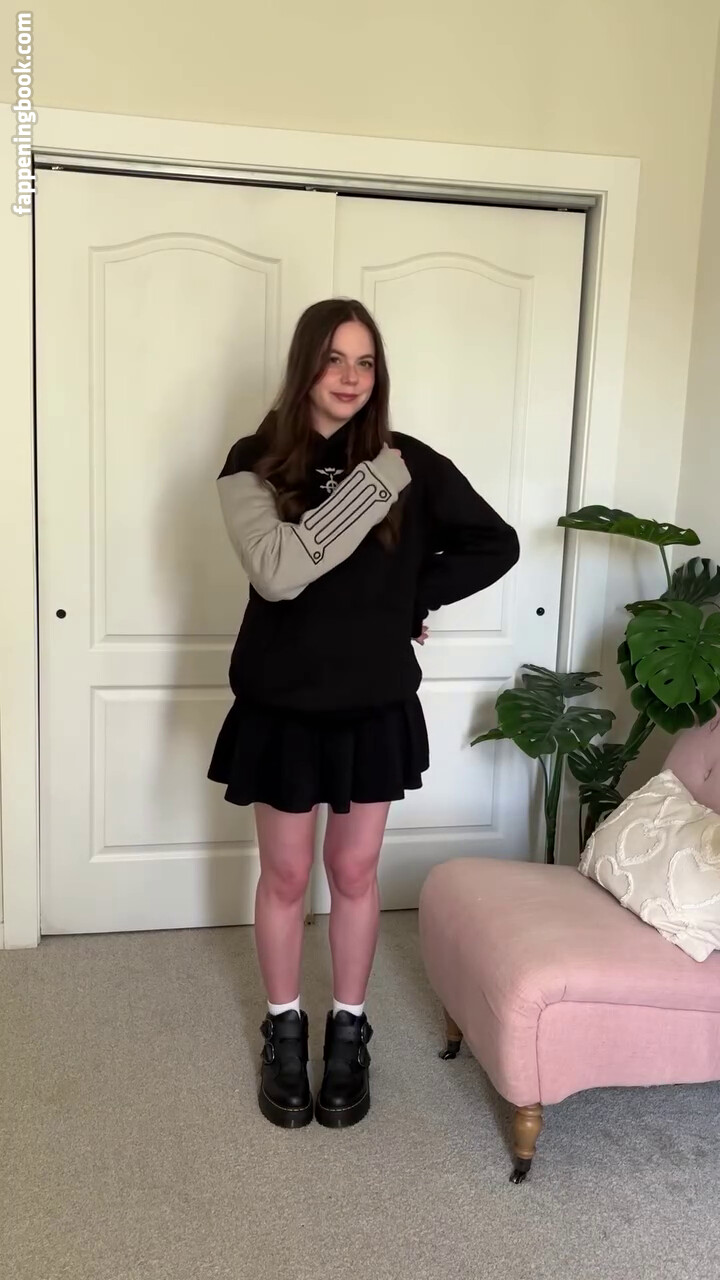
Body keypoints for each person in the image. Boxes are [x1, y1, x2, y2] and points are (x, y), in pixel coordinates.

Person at [208, 297, 519, 1131]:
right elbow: (278, 573)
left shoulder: (412, 461)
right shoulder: (256, 458)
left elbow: (496, 544)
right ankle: (284, 1028)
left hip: (373, 704)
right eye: (334, 358)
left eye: (366, 362)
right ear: (305, 365)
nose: (350, 377)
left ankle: (349, 1028)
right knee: (284, 876)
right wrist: (375, 484)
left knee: (353, 873)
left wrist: (410, 596)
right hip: (281, 704)